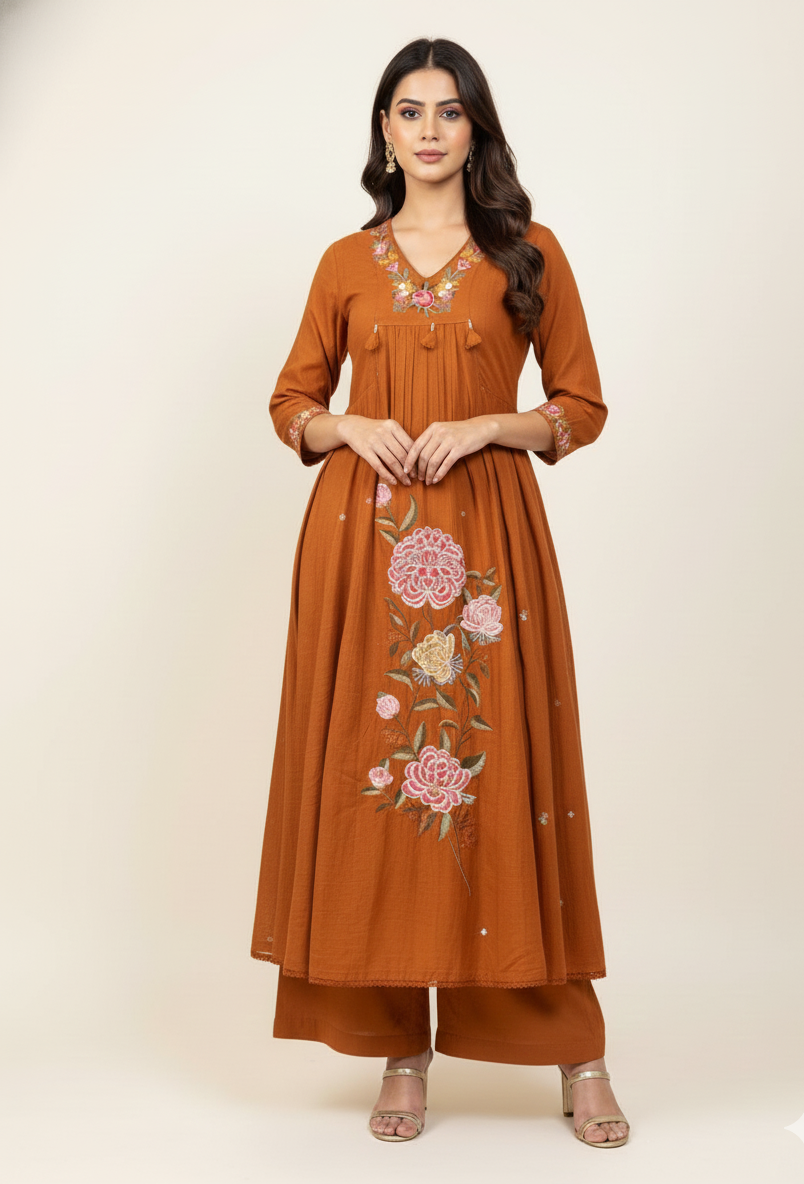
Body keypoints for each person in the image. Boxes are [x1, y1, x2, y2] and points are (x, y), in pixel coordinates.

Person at [250, 36, 630, 1149]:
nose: (428, 129)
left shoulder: (527, 252)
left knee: (502, 785)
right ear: (385, 129)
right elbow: (290, 401)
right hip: (362, 554)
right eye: (410, 110)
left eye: (449, 111)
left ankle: (578, 1052)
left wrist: (489, 425)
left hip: (486, 552)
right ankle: (399, 1051)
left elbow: (581, 405)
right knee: (380, 787)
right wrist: (347, 425)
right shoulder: (346, 262)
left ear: (476, 129)